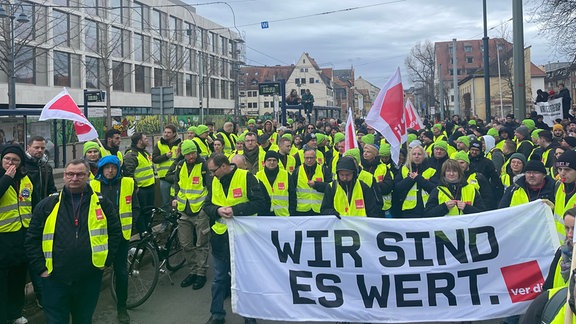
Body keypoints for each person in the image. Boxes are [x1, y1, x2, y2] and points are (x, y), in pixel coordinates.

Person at [25, 159, 122, 324]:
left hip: (88, 277)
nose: (74, 178)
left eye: (80, 174)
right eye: (70, 174)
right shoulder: (48, 204)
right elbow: (32, 238)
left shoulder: (102, 203)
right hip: (55, 278)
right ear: (64, 176)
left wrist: (107, 261)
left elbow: (115, 233)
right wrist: (41, 269)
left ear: (88, 176)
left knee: (83, 320)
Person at [203, 153, 268, 324]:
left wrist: (235, 210)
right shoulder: (214, 180)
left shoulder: (246, 177)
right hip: (220, 237)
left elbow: (260, 203)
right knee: (219, 278)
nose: (212, 174)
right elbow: (207, 205)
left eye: (213, 171)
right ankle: (217, 314)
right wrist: (217, 210)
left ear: (224, 166)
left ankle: (249, 317)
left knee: (245, 279)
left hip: (243, 239)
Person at [90, 155, 139, 324]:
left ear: (118, 169)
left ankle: (122, 307)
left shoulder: (128, 183)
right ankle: (87, 310)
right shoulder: (93, 185)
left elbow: (135, 207)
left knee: (121, 272)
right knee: (93, 274)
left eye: (114, 167)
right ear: (101, 169)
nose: (110, 171)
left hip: (121, 237)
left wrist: (136, 227)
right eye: (106, 167)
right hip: (98, 237)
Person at [167, 140, 210, 290]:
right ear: (183, 154)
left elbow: (210, 187)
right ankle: (193, 270)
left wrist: (206, 207)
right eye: (188, 154)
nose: (191, 156)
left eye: (193, 153)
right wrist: (174, 198)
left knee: (201, 244)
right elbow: (176, 184)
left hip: (200, 211)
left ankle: (201, 273)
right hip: (183, 210)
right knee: (185, 244)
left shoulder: (204, 166)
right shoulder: (180, 165)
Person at [0, 145, 32, 324]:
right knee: (2, 283)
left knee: (18, 279)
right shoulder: (3, 176)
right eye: (7, 159)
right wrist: (6, 178)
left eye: (15, 160)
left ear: (20, 163)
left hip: (22, 237)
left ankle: (15, 313)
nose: (10, 163)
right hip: (3, 239)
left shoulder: (26, 179)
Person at [123, 133, 155, 234]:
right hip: (141, 190)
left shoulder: (144, 153)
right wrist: (135, 188)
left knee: (149, 212)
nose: (147, 140)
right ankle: (143, 233)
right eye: (145, 138)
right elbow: (128, 173)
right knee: (141, 212)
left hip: (150, 187)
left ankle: (148, 231)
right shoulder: (131, 155)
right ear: (139, 141)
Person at [393, 145, 437, 218]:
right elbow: (397, 188)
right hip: (408, 209)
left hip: (427, 208)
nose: (416, 156)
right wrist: (409, 179)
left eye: (419, 154)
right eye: (414, 154)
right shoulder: (404, 170)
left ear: (424, 156)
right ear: (410, 156)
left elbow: (434, 189)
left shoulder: (431, 170)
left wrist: (419, 178)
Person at [291, 148, 332, 216]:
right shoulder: (297, 171)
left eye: (311, 158)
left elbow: (330, 187)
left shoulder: (323, 170)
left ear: (316, 158)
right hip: (301, 210)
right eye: (307, 158)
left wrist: (316, 184)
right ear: (303, 158)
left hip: (319, 209)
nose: (309, 160)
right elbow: (292, 191)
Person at [256, 150, 295, 216]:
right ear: (264, 162)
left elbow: (292, 195)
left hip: (283, 214)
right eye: (269, 160)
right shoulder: (258, 175)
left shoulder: (285, 175)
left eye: (274, 160)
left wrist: (291, 212)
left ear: (278, 162)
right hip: (264, 214)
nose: (272, 162)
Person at [153, 124, 182, 211]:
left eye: (169, 132)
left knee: (176, 200)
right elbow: (154, 159)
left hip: (176, 177)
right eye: (165, 132)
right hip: (164, 178)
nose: (166, 134)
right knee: (165, 202)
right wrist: (165, 156)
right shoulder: (159, 144)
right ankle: (166, 221)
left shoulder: (180, 144)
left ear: (174, 134)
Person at [24, 136, 57, 209]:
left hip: (42, 208)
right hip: (26, 209)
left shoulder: (46, 167)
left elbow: (51, 188)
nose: (40, 150)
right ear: (28, 148)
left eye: (42, 148)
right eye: (36, 147)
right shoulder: (22, 166)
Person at [553, 150, 576, 242]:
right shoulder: (559, 186)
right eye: (560, 169)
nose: (562, 173)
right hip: (558, 245)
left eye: (567, 169)